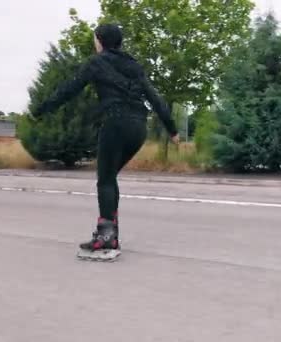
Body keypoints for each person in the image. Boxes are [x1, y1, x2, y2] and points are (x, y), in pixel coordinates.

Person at [33, 23, 179, 253]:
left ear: (100, 40)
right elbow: (155, 97)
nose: (94, 44)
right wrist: (172, 129)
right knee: (110, 178)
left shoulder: (96, 63)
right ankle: (112, 233)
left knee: (105, 180)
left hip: (116, 123)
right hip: (139, 128)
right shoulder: (133, 65)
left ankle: (106, 236)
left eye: (95, 39)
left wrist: (41, 109)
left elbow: (70, 88)